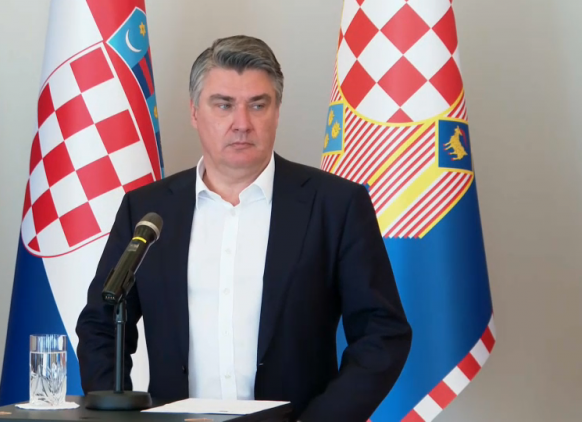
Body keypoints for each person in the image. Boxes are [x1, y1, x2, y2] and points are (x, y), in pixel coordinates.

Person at [76, 35, 412, 421]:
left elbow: (382, 332)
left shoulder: (335, 205)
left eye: (258, 105)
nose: (242, 124)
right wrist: (119, 417)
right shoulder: (148, 210)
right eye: (223, 105)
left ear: (277, 111)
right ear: (194, 112)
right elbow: (101, 324)